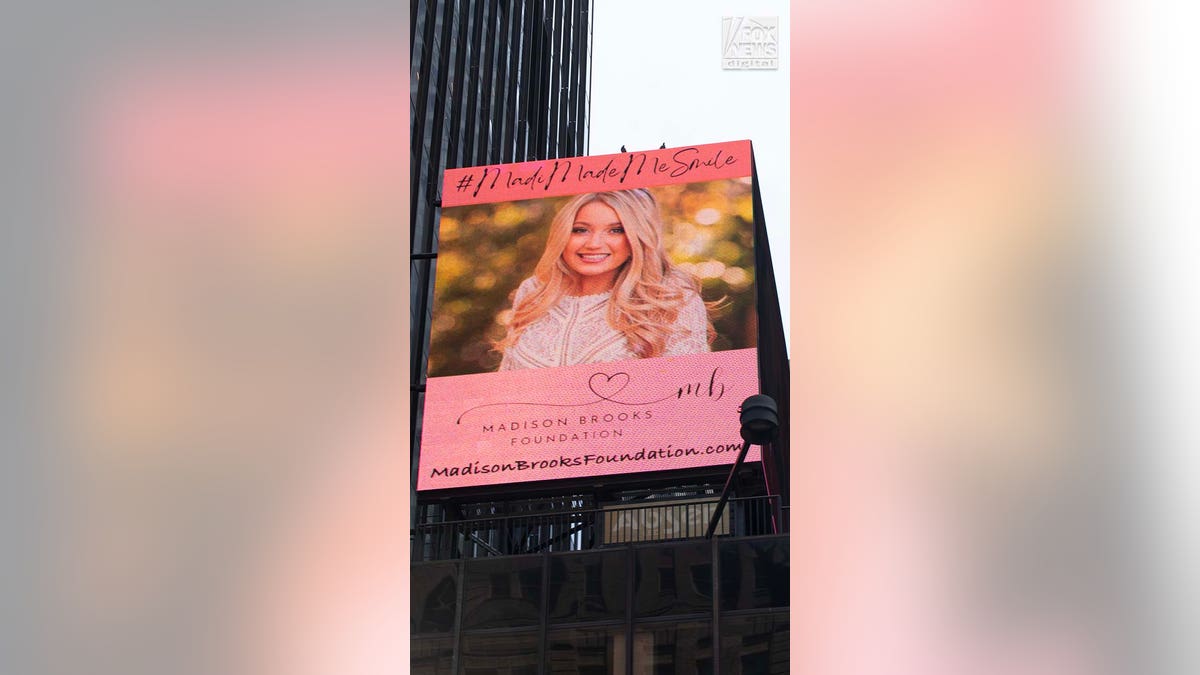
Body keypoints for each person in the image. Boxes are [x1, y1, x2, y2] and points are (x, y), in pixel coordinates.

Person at [497, 188, 714, 370]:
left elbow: (688, 398)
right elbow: (506, 380)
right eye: (580, 230)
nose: (593, 243)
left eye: (615, 230)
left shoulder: (672, 300)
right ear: (562, 234)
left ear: (637, 238)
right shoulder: (535, 292)